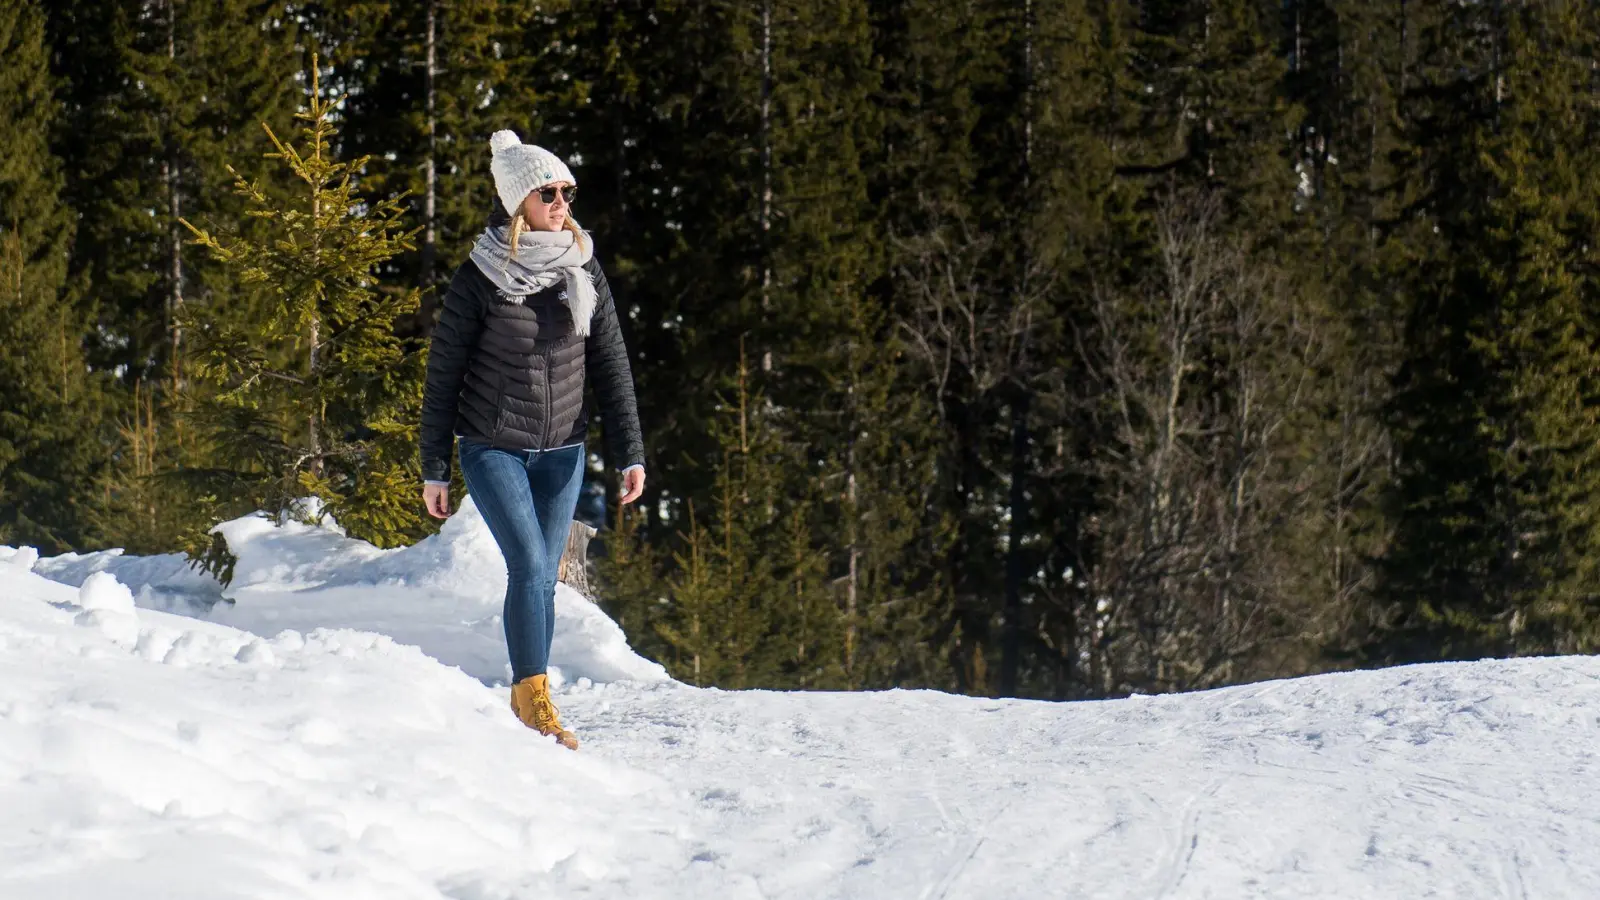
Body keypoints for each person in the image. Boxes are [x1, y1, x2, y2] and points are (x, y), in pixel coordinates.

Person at [419, 130, 646, 750]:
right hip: (493, 446)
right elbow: (443, 375)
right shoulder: (480, 277)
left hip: (564, 450)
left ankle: (533, 693)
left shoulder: (582, 265)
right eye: (549, 193)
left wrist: (629, 452)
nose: (561, 204)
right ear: (518, 199)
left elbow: (611, 363)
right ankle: (532, 699)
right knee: (529, 564)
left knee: (545, 576)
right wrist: (434, 466)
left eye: (567, 192)